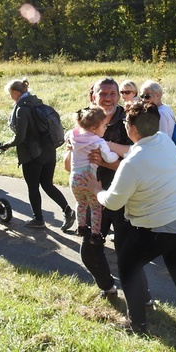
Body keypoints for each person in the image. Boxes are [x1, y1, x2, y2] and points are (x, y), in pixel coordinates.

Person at [84, 102, 176, 335]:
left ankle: (137, 325)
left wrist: (97, 189)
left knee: (128, 264)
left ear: (132, 129)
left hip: (163, 225)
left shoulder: (132, 164)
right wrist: (108, 155)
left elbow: (114, 202)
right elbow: (136, 151)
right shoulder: (163, 140)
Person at [82, 78, 152, 303]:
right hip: (95, 196)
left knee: (126, 253)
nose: (109, 98)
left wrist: (104, 162)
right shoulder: (85, 120)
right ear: (93, 95)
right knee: (90, 250)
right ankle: (108, 288)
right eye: (103, 93)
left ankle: (143, 298)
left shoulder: (129, 120)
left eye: (113, 93)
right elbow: (70, 161)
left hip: (124, 196)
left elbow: (139, 162)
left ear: (119, 96)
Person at [3, 78, 75, 230]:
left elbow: (20, 137)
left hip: (32, 154)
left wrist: (6, 145)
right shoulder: (37, 103)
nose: (10, 97)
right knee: (48, 184)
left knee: (33, 187)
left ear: (16, 93)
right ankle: (67, 210)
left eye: (10, 94)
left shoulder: (22, 109)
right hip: (49, 151)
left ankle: (38, 220)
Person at [67, 106, 119, 247]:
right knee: (95, 208)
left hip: (74, 178)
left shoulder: (74, 135)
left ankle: (81, 226)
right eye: (104, 125)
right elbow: (109, 158)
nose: (106, 128)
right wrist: (115, 154)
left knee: (81, 204)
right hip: (90, 178)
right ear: (95, 128)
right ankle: (96, 234)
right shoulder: (98, 142)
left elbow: (69, 134)